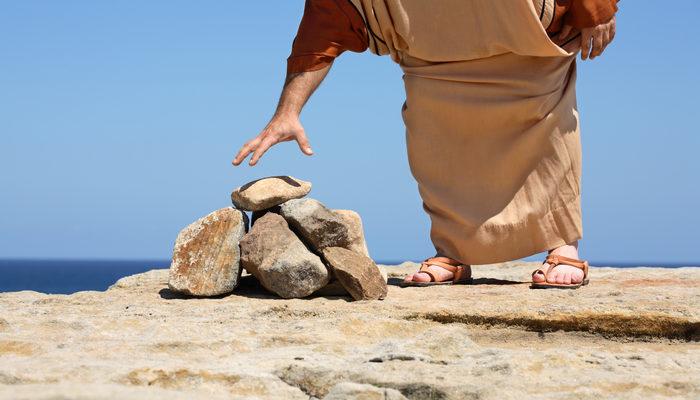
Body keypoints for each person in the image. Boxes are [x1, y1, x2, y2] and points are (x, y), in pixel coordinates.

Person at [232, 0, 618, 289]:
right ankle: (454, 250)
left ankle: (563, 247)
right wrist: (288, 111)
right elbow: (330, 15)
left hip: (527, 46)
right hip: (432, 57)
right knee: (437, 146)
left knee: (550, 137)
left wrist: (596, 8)